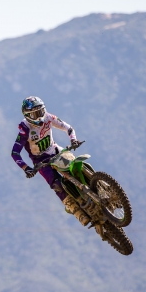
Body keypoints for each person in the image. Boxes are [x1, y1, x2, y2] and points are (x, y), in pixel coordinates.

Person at [11, 96, 90, 226]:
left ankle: (97, 185)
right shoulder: (25, 129)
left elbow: (68, 128)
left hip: (55, 150)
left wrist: (73, 140)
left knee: (76, 164)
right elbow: (15, 153)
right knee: (56, 184)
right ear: (27, 115)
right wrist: (26, 168)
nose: (40, 116)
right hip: (40, 161)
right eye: (35, 114)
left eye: (41, 111)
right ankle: (77, 212)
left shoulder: (48, 117)